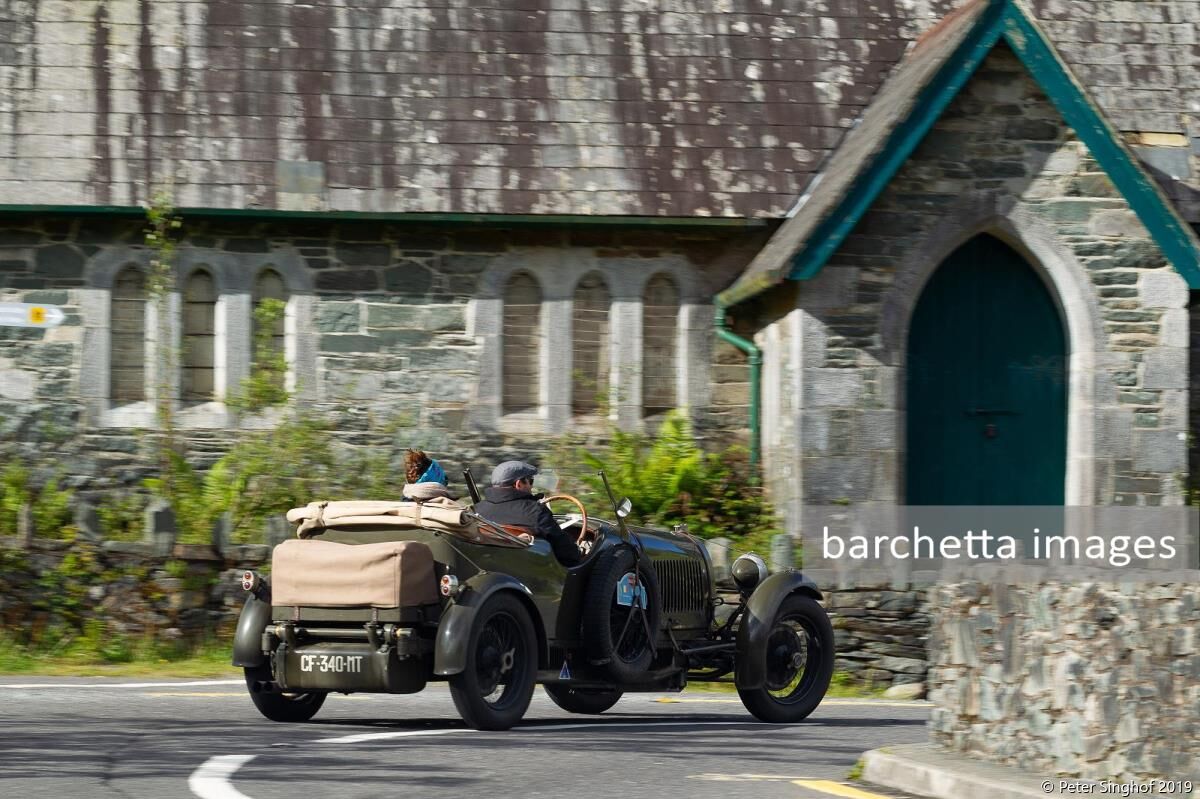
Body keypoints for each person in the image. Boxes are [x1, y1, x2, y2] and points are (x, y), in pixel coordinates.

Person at [472, 460, 581, 566]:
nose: (531, 486)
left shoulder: (475, 510)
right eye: (530, 481)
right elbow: (568, 553)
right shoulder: (535, 511)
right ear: (518, 484)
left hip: (488, 567)